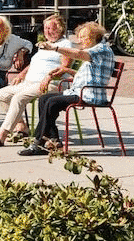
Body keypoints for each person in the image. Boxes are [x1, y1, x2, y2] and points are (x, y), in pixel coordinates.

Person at [19, 22, 115, 156]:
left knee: (52, 102)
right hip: (82, 90)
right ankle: (54, 140)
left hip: (90, 94)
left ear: (94, 36)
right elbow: (88, 75)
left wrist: (55, 48)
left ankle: (38, 142)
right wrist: (67, 70)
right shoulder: (96, 49)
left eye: (83, 37)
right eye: (79, 37)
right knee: (44, 99)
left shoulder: (101, 49)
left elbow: (78, 54)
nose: (80, 40)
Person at [0, 15, 72, 147]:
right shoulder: (44, 45)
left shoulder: (65, 45)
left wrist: (49, 77)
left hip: (50, 84)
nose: (46, 31)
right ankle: (22, 127)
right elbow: (34, 64)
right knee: (1, 95)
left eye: (49, 28)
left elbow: (65, 68)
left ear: (59, 29)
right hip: (29, 83)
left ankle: (1, 136)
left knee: (18, 98)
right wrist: (21, 75)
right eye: (45, 28)